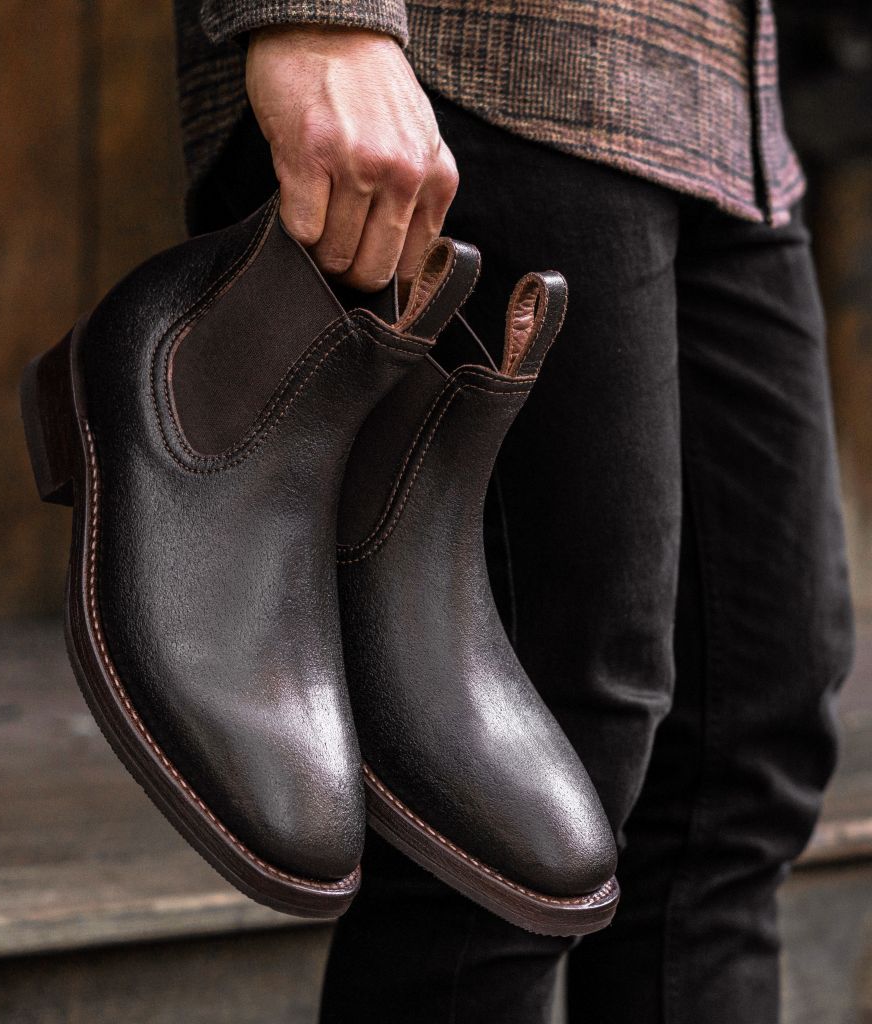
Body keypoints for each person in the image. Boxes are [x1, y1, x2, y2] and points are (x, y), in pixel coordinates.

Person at [173, 3, 856, 1021]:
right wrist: (319, 21)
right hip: (483, 66)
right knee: (504, 788)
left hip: (725, 101)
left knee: (741, 752)